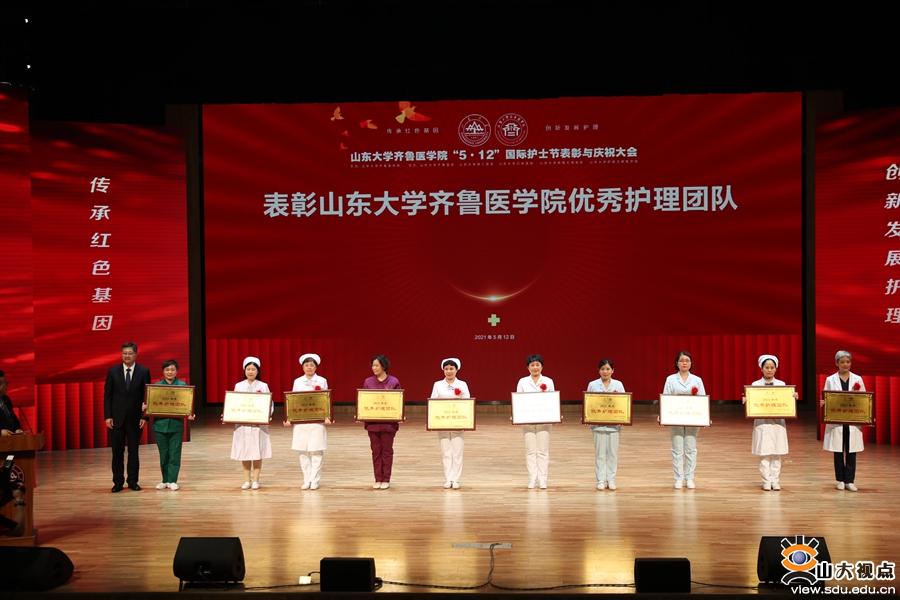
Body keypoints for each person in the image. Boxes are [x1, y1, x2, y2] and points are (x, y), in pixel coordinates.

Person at [103, 342, 151, 493]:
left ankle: (133, 481)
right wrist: (108, 416)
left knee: (133, 452)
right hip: (116, 419)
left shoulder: (144, 371)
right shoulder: (113, 371)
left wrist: (144, 417)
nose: (127, 356)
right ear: (121, 354)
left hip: (135, 420)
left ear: (135, 354)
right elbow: (108, 395)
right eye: (124, 353)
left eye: (130, 353)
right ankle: (117, 482)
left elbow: (147, 395)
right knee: (117, 452)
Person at [742, 354, 793, 491]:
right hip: (762, 423)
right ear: (761, 369)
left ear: (776, 369)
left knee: (777, 453)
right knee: (764, 453)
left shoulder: (782, 385)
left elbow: (787, 402)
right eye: (767, 367)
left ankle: (775, 480)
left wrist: (792, 398)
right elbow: (752, 403)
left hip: (778, 423)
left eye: (772, 367)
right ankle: (766, 481)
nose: (769, 370)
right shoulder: (755, 385)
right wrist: (747, 401)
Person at [284, 353, 330, 490]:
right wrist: (289, 418)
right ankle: (306, 479)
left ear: (316, 367)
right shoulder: (297, 381)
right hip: (301, 422)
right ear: (302, 367)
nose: (309, 367)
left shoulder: (322, 380)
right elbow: (292, 401)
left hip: (317, 421)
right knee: (302, 452)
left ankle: (315, 480)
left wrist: (327, 416)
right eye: (306, 365)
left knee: (316, 451)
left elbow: (326, 399)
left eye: (311, 365)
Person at [822, 350, 865, 492]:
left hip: (853, 421)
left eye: (848, 362)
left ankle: (850, 481)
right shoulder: (830, 379)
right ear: (837, 363)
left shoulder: (858, 379)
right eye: (842, 362)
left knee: (851, 452)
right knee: (838, 451)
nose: (845, 364)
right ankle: (840, 480)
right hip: (837, 421)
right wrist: (824, 403)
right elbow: (826, 397)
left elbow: (864, 400)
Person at [662, 350, 705, 490]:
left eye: (687, 360)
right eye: (681, 361)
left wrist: (705, 417)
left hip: (692, 419)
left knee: (690, 449)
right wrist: (663, 415)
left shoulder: (697, 380)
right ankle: (678, 478)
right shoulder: (670, 379)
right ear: (677, 363)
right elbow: (666, 398)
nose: (684, 363)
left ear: (691, 363)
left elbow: (702, 400)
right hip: (675, 418)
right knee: (677, 449)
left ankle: (690, 478)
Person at [150, 360, 195, 491]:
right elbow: (151, 405)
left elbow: (187, 405)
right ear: (163, 371)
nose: (170, 372)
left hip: (176, 426)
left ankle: (173, 480)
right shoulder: (156, 387)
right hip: (160, 425)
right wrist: (146, 407)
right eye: (167, 370)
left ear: (176, 371)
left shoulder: (182, 386)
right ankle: (165, 480)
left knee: (175, 453)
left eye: (172, 369)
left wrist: (190, 414)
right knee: (163, 454)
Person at [231, 356, 272, 490]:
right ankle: (246, 480)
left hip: (258, 426)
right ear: (244, 370)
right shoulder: (239, 386)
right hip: (242, 425)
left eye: (253, 369)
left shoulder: (263, 386)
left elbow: (269, 403)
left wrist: (267, 415)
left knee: (257, 452)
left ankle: (256, 480)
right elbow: (233, 403)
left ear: (257, 371)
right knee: (245, 452)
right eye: (248, 369)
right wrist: (229, 414)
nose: (250, 371)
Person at [362, 354, 401, 489]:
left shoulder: (394, 381)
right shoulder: (368, 382)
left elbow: (398, 401)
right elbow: (364, 401)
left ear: (384, 366)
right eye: (373, 365)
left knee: (387, 451)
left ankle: (386, 479)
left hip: (388, 424)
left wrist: (399, 414)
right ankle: (378, 479)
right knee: (376, 451)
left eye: (377, 365)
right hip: (373, 424)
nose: (374, 368)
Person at [430, 358, 470, 489]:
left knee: (457, 452)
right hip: (443, 422)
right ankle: (448, 479)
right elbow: (433, 402)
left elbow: (468, 403)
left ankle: (456, 479)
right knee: (446, 452)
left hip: (458, 421)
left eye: (451, 368)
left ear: (456, 370)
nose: (449, 371)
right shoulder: (437, 384)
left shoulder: (462, 384)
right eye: (446, 369)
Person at [516, 354, 555, 489]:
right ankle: (532, 479)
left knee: (543, 451)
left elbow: (552, 400)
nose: (535, 367)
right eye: (532, 365)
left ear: (542, 366)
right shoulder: (522, 382)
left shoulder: (548, 381)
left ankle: (543, 480)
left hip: (544, 422)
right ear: (528, 367)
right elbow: (518, 401)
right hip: (528, 421)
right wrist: (516, 415)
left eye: (537, 365)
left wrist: (555, 414)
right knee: (530, 451)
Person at [586, 359, 625, 491]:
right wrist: (587, 417)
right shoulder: (592, 384)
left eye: (608, 369)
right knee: (600, 454)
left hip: (614, 425)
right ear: (599, 371)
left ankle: (611, 479)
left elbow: (623, 403)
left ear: (612, 370)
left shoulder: (618, 384)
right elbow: (588, 403)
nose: (605, 371)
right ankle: (601, 480)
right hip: (598, 425)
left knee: (612, 453)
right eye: (603, 369)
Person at [0, 371, 24, 435]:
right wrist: (1, 432)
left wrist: (17, 429)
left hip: (10, 439)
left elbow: (13, 418)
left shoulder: (6, 399)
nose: (7, 385)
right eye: (6, 383)